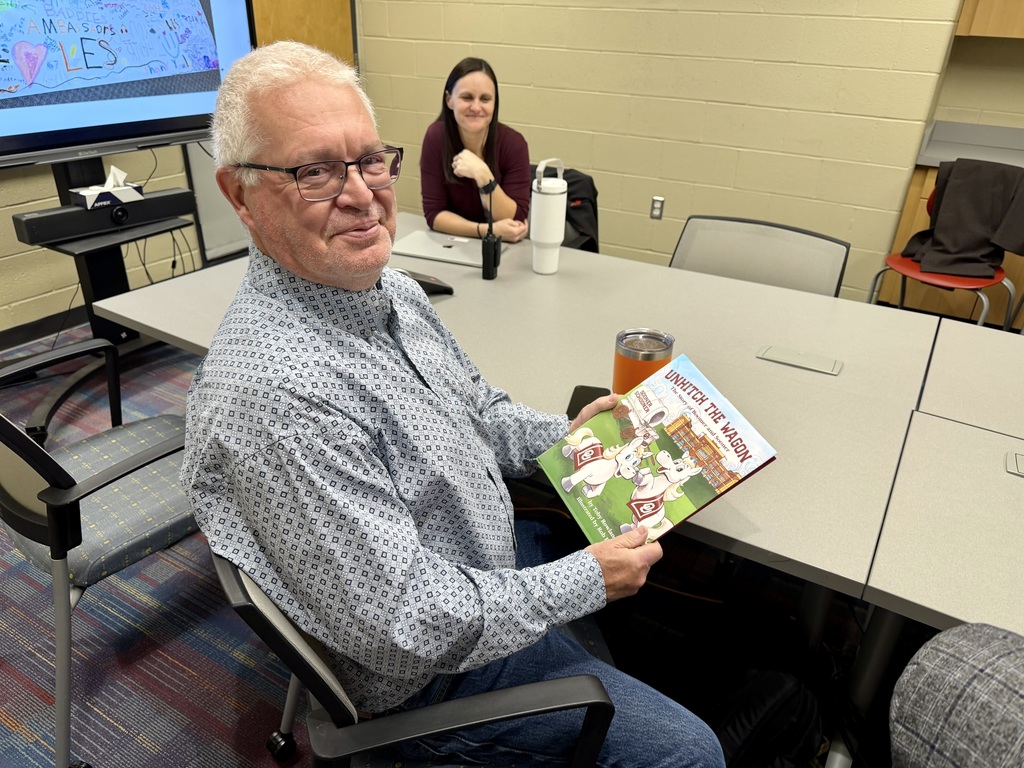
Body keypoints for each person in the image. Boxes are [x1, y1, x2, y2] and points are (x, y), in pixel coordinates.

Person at [181, 40, 724, 768]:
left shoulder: (392, 293)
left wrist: (562, 432)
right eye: (314, 171)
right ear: (240, 193)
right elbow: (405, 621)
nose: (360, 192)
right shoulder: (280, 399)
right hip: (434, 678)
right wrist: (584, 580)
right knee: (690, 753)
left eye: (371, 160)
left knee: (684, 563)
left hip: (479, 570)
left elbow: (480, 409)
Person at [420, 57, 531, 243]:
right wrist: (487, 230)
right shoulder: (436, 137)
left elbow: (514, 219)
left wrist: (482, 174)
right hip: (452, 245)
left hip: (505, 251)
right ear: (449, 100)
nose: (476, 107)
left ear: (494, 104)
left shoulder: (514, 143)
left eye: (485, 99)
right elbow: (435, 215)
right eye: (467, 97)